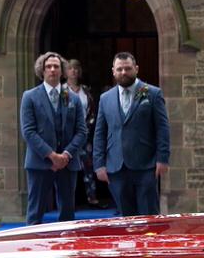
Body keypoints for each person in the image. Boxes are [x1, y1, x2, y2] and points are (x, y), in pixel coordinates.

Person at [92, 52, 170, 217]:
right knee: (125, 219)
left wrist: (162, 159)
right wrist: (99, 164)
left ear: (136, 69)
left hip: (146, 166)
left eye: (127, 68)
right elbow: (100, 133)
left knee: (148, 216)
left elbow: (162, 129)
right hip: (116, 167)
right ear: (113, 71)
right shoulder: (105, 99)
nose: (124, 73)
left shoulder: (153, 94)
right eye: (119, 69)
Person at [19, 52, 87, 225]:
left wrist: (66, 154)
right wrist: (51, 156)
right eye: (48, 66)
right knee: (35, 212)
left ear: (62, 71)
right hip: (40, 162)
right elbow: (28, 131)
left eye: (56, 66)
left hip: (68, 162)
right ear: (42, 70)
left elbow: (81, 131)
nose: (52, 70)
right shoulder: (30, 97)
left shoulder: (73, 98)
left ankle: (65, 248)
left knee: (67, 213)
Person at [64, 58, 100, 208]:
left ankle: (92, 197)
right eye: (71, 68)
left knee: (88, 166)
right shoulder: (62, 90)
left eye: (77, 68)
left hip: (85, 135)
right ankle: (70, 200)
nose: (74, 71)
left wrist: (85, 129)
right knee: (68, 169)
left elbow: (92, 111)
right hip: (67, 137)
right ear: (65, 72)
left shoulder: (86, 90)